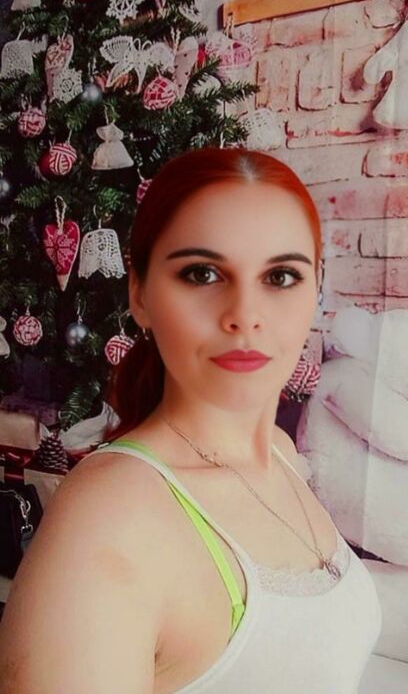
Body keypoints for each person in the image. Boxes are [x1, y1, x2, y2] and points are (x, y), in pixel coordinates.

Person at [0, 147, 381, 693]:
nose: (245, 315)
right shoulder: (110, 518)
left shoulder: (281, 452)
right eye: (202, 273)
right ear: (139, 294)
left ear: (316, 288)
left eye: (281, 276)